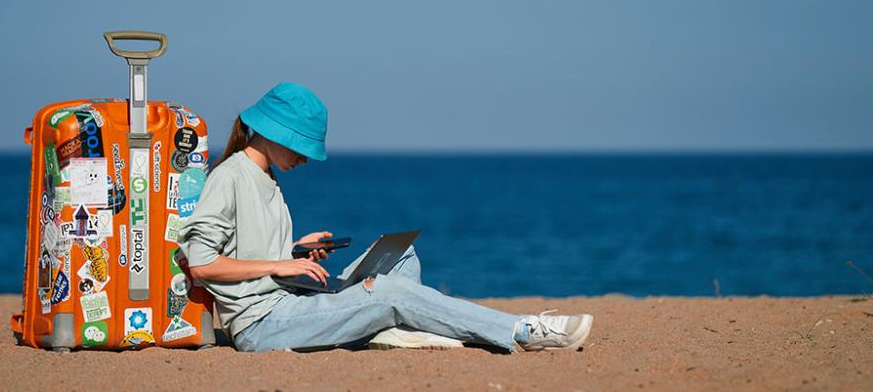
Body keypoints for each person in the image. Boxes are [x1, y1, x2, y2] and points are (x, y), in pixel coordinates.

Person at [178, 82, 594, 352]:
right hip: (263, 324)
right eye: (300, 147)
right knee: (390, 293)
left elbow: (245, 248)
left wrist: (296, 249)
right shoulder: (230, 176)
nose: (304, 158)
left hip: (290, 299)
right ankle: (524, 331)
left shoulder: (264, 176)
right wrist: (280, 263)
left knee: (401, 256)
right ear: (272, 134)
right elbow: (203, 264)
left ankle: (384, 331)